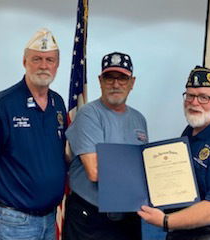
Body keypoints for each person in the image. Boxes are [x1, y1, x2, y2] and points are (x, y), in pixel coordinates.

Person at [0, 28, 67, 240]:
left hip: (50, 220)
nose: (43, 65)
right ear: (24, 62)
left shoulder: (58, 104)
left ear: (57, 64)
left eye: (50, 59)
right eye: (36, 59)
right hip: (13, 222)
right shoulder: (3, 105)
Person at [138, 66, 210, 240]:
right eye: (190, 95)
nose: (194, 102)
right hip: (183, 226)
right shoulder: (191, 131)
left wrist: (166, 221)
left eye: (204, 97)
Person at [62, 52, 148, 240]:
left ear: (132, 82)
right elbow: (94, 171)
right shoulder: (89, 115)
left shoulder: (139, 120)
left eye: (122, 78)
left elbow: (144, 164)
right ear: (100, 80)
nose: (116, 84)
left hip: (127, 217)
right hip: (91, 219)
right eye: (109, 78)